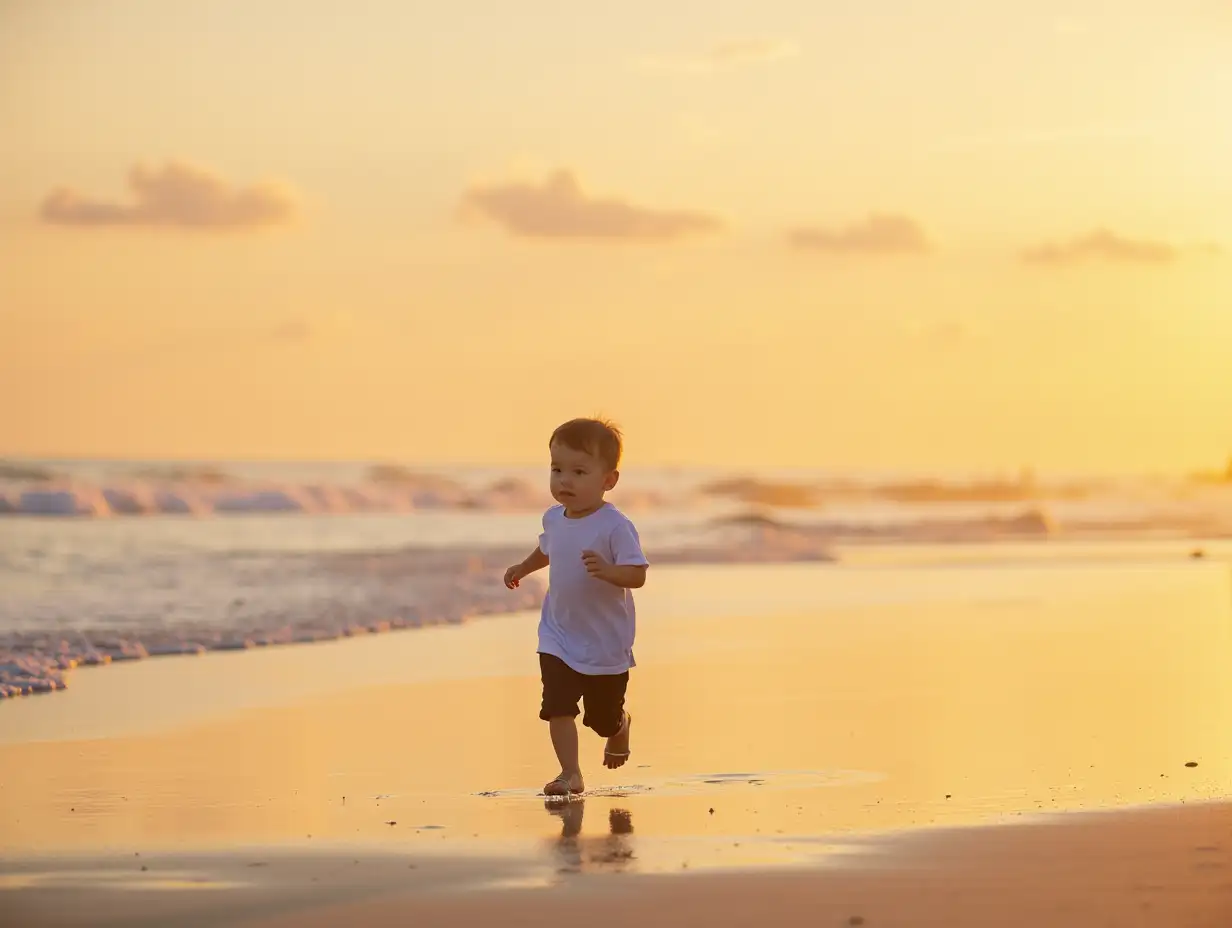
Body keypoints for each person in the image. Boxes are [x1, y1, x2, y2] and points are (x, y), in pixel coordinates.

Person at [504, 418, 649, 797]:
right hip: (558, 633)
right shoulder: (554, 518)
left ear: (608, 480)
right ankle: (570, 773)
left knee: (600, 720)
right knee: (557, 704)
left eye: (579, 471)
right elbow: (547, 548)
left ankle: (619, 724)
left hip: (604, 641)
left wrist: (609, 571)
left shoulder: (615, 525)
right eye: (557, 470)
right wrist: (524, 566)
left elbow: (637, 575)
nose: (564, 480)